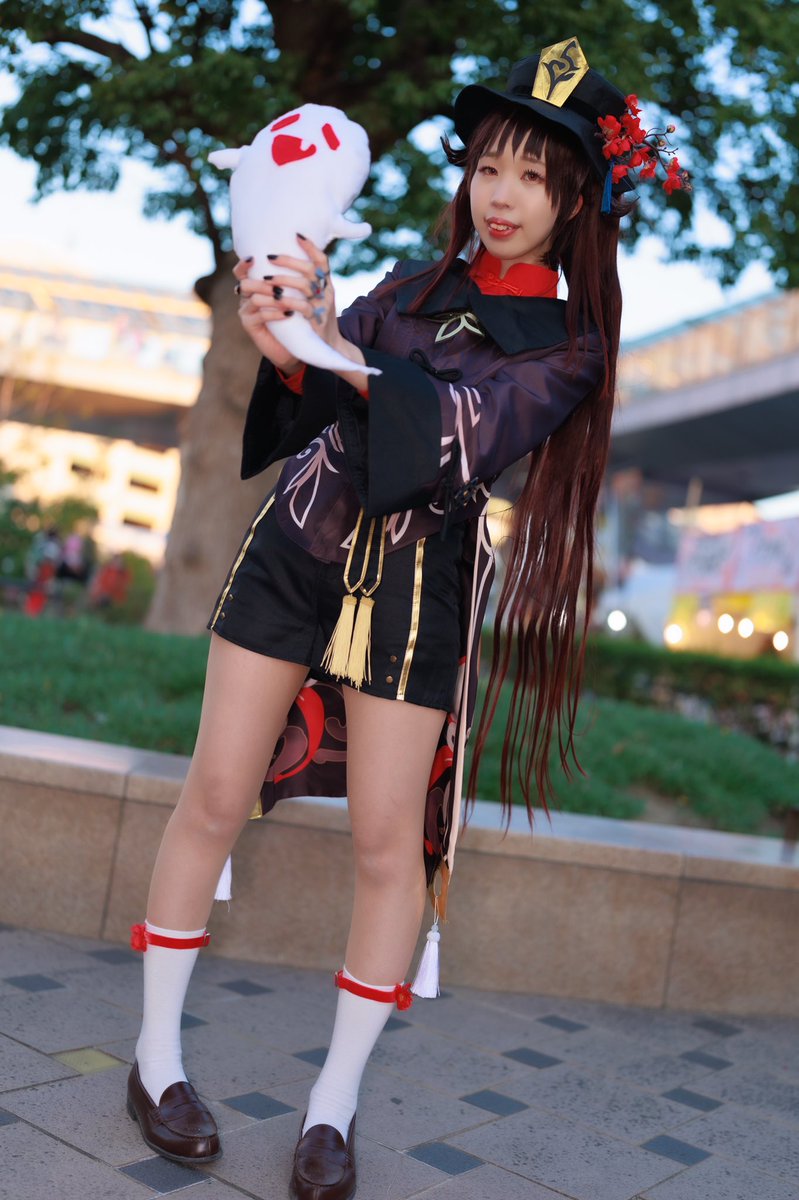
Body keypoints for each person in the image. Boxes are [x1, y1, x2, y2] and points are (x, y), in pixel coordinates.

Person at [126, 38, 687, 1200]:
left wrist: (334, 348)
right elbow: (313, 394)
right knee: (214, 795)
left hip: (420, 591)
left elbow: (461, 431)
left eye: (532, 174)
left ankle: (332, 1107)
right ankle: (156, 1061)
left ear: (575, 200)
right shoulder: (401, 290)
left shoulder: (569, 348)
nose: (501, 194)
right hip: (295, 552)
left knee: (389, 845)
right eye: (488, 165)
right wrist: (284, 335)